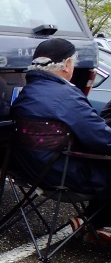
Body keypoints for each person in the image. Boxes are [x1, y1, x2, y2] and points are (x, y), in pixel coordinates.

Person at [12, 37, 111, 244]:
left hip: (29, 170)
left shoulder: (26, 92)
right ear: (67, 64)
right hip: (63, 177)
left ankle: (91, 222)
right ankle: (95, 222)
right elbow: (102, 139)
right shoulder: (66, 96)